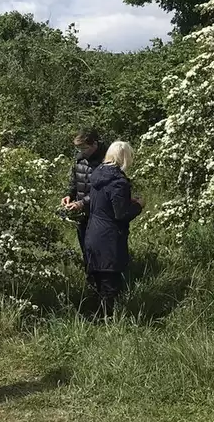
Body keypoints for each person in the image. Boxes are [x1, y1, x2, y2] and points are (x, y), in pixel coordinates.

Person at [83, 141, 143, 320]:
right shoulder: (118, 181)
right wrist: (138, 206)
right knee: (110, 285)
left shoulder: (97, 175)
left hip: (93, 233)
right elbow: (120, 213)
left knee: (98, 282)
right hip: (109, 237)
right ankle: (107, 321)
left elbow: (104, 203)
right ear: (125, 157)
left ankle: (96, 318)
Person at [61, 128, 107, 272]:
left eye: (84, 148)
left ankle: (104, 284)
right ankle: (90, 279)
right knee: (85, 248)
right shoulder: (79, 159)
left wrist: (82, 203)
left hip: (99, 212)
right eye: (79, 148)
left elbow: (102, 190)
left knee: (99, 250)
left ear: (94, 144)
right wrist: (69, 195)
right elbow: (74, 182)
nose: (82, 151)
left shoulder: (105, 161)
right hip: (81, 213)